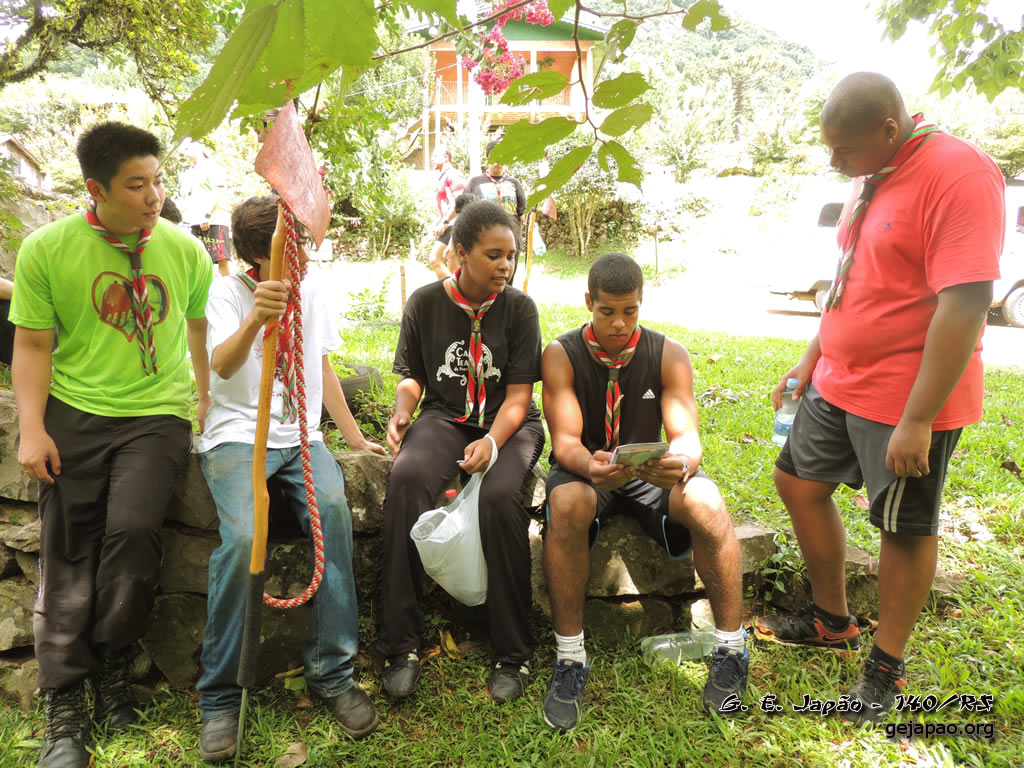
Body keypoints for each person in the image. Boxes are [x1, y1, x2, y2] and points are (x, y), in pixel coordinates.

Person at [753, 73, 1004, 725]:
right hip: (839, 379)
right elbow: (853, 277)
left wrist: (918, 419)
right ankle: (832, 620)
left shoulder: (959, 175)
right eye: (830, 149)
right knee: (797, 481)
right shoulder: (873, 171)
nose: (835, 163)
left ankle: (885, 669)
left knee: (903, 527)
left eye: (844, 150)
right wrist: (812, 357)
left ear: (889, 129)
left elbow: (967, 303)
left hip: (906, 397)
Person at [10, 121, 213, 768]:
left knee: (132, 533)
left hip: (155, 415)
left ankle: (112, 669)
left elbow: (198, 324)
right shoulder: (47, 249)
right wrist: (33, 427)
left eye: (158, 180)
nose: (154, 196)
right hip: (74, 412)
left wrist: (203, 394)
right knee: (69, 548)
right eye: (136, 184)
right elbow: (32, 344)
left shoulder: (184, 250)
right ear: (96, 189)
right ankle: (65, 704)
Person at [195, 196, 386, 761]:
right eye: (295, 246)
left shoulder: (312, 290)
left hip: (301, 435)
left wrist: (353, 438)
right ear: (264, 254)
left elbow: (320, 365)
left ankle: (332, 670)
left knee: (333, 511)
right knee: (243, 537)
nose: (305, 254)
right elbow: (222, 365)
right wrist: (257, 317)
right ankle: (220, 696)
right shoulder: (226, 293)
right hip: (237, 434)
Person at [540, 252, 748, 730]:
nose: (619, 323)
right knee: (567, 502)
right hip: (588, 469)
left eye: (629, 310)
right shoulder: (561, 354)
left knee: (707, 501)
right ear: (588, 302)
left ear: (641, 303)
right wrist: (590, 466)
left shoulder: (668, 353)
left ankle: (731, 649)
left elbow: (686, 435)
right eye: (607, 311)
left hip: (649, 474)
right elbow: (565, 441)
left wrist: (681, 463)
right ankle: (570, 657)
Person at [378, 199, 545, 704]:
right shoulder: (425, 303)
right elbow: (412, 377)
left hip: (509, 425)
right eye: (494, 255)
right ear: (460, 253)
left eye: (510, 255)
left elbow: (519, 397)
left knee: (497, 499)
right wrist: (403, 411)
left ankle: (512, 652)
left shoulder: (519, 309)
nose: (505, 265)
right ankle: (400, 645)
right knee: (407, 479)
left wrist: (492, 442)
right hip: (444, 417)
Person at [465, 140, 527, 282]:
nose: (498, 160)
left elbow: (522, 214)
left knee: (507, 282)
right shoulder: (475, 183)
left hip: (511, 242)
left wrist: (533, 232)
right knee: (485, 282)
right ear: (487, 157)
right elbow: (464, 211)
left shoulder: (514, 183)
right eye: (494, 156)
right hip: (485, 242)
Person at [178, 140, 232, 277]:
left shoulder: (212, 167)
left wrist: (208, 216)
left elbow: (220, 194)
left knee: (221, 262)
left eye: (187, 148)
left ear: (198, 148)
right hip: (194, 222)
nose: (184, 152)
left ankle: (229, 289)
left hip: (213, 222)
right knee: (197, 262)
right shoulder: (189, 172)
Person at [428, 145, 466, 280]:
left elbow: (462, 202)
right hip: (449, 224)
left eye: (435, 156)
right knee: (452, 263)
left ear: (446, 157)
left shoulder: (453, 175)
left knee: (435, 259)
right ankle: (457, 290)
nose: (432, 159)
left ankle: (452, 290)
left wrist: (446, 221)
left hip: (454, 224)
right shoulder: (443, 176)